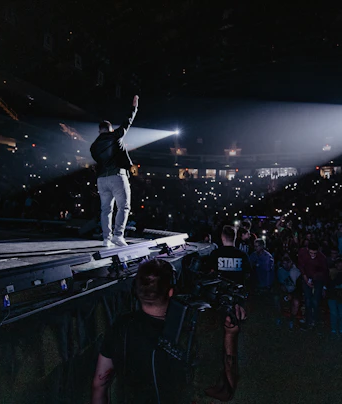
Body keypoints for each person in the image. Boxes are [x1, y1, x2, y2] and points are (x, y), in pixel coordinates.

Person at [91, 259, 246, 403]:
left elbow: (100, 384)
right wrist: (231, 335)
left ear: (136, 290)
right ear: (171, 292)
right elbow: (225, 392)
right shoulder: (191, 334)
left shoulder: (120, 327)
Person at [90, 95, 139, 247]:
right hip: (117, 176)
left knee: (106, 209)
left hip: (101, 180)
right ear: (110, 129)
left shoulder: (93, 146)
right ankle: (118, 235)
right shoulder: (115, 136)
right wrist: (134, 107)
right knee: (124, 206)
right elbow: (128, 121)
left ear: (99, 131)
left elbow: (97, 162)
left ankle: (106, 239)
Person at [298, 242, 328, 330]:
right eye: (311, 253)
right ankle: (308, 321)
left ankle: (316, 321)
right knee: (307, 301)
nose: (313, 255)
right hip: (306, 277)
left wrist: (324, 287)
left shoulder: (322, 258)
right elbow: (301, 266)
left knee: (315, 301)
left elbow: (325, 272)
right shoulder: (302, 253)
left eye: (315, 253)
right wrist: (305, 278)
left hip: (318, 279)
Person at [274, 255, 302, 330]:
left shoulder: (296, 272)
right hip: (284, 292)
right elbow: (278, 284)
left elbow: (299, 287)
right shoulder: (280, 271)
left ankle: (291, 320)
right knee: (276, 299)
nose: (286, 265)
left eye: (288, 263)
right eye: (284, 263)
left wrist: (291, 295)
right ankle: (278, 317)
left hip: (294, 292)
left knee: (296, 302)